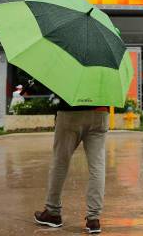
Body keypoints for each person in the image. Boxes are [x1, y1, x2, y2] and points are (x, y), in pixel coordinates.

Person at [34, 94, 110, 234]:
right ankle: (94, 219)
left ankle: (53, 212)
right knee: (97, 167)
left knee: (60, 163)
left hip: (70, 112)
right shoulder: (106, 71)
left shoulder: (70, 71)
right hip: (100, 112)